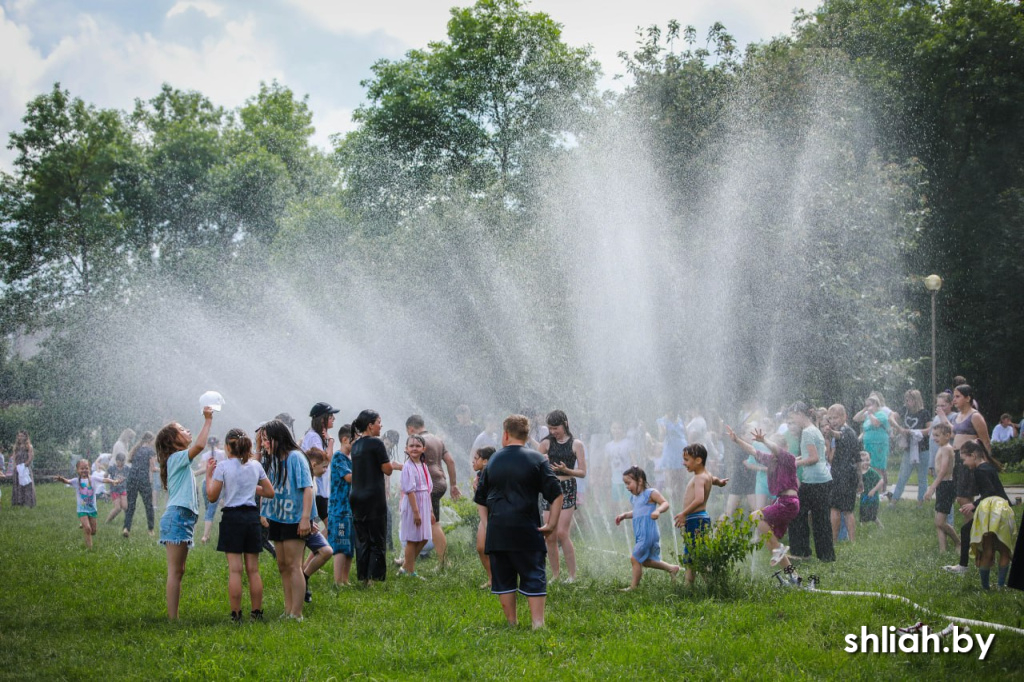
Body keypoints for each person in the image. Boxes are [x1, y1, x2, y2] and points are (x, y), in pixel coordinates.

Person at [474, 414, 563, 629]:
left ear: (505, 434)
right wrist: (552, 525)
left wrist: (487, 525)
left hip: (498, 531)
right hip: (527, 529)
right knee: (534, 574)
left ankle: (512, 623)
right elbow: (557, 494)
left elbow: (481, 498)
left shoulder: (493, 460)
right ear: (526, 435)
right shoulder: (537, 459)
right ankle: (537, 623)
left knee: (503, 578)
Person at [206, 428, 274, 623]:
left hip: (232, 518)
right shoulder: (255, 466)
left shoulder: (223, 467)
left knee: (235, 570)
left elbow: (212, 496)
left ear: (228, 447)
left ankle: (236, 615)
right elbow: (269, 492)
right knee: (253, 569)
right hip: (251, 518)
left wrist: (209, 475)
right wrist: (250, 485)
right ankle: (257, 613)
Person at [155, 406, 215, 620]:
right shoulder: (176, 458)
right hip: (177, 517)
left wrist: (207, 473)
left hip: (181, 518)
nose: (187, 430)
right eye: (182, 429)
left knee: (178, 571)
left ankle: (174, 617)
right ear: (173, 441)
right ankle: (173, 619)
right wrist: (207, 420)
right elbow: (200, 445)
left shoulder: (179, 461)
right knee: (175, 571)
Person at [725, 426, 801, 585]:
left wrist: (765, 440)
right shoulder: (771, 460)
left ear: (785, 448)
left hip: (789, 503)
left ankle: (779, 548)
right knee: (769, 539)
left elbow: (776, 449)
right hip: (782, 502)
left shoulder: (788, 459)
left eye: (776, 448)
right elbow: (753, 450)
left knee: (755, 516)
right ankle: (794, 576)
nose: (774, 451)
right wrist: (737, 440)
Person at [260, 419, 314, 620]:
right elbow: (272, 489)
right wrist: (265, 512)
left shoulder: (296, 458)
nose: (264, 444)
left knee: (293, 565)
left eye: (267, 440)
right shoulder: (274, 459)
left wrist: (305, 519)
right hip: (279, 517)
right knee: (282, 564)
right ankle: (288, 609)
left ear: (277, 438)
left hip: (294, 519)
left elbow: (307, 488)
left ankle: (297, 613)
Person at [941, 384, 991, 575]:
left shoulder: (975, 416)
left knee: (964, 499)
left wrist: (985, 465)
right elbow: (955, 434)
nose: (954, 400)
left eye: (958, 396)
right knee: (962, 500)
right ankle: (974, 535)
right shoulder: (958, 416)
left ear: (968, 398)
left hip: (971, 464)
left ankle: (976, 533)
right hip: (959, 462)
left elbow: (985, 441)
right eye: (954, 396)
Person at [537, 410, 587, 583]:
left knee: (562, 532)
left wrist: (567, 470)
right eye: (550, 428)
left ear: (565, 423)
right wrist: (542, 461)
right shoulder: (545, 444)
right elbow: (535, 465)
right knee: (549, 534)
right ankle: (556, 575)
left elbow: (582, 472)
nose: (553, 432)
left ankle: (572, 575)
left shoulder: (576, 444)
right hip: (549, 487)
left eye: (556, 428)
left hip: (567, 487)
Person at [959, 440, 1015, 589]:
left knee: (988, 548)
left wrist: (974, 504)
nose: (964, 463)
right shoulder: (989, 467)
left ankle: (985, 587)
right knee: (1004, 550)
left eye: (964, 459)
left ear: (974, 455)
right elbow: (999, 491)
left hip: (991, 510)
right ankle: (1001, 585)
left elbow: (989, 492)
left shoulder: (979, 470)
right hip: (1003, 508)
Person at [406, 414, 460, 567]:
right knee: (424, 523)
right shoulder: (437, 439)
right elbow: (450, 461)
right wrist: (453, 484)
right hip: (440, 483)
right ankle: (407, 560)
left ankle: (444, 562)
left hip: (427, 486)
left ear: (410, 429)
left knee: (433, 523)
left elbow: (411, 467)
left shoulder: (416, 441)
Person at [350, 410, 396, 585]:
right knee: (377, 537)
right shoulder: (377, 444)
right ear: (370, 425)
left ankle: (364, 578)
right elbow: (387, 470)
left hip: (356, 497)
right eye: (379, 422)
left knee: (362, 539)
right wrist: (393, 464)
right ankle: (375, 578)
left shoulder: (355, 445)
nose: (381, 425)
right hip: (373, 498)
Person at [614, 466, 679, 590]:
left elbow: (665, 503)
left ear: (640, 481)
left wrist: (658, 511)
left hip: (648, 532)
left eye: (628, 483)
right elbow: (637, 512)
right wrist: (624, 515)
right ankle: (671, 568)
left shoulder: (650, 493)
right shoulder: (634, 498)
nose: (627, 487)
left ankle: (633, 587)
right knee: (645, 561)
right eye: (625, 484)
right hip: (641, 534)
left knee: (635, 558)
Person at [673, 444, 727, 586]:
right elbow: (713, 479)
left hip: (695, 518)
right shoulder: (706, 475)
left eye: (686, 459)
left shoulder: (698, 478)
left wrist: (684, 513)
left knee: (691, 554)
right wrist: (720, 483)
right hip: (701, 518)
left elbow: (699, 499)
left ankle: (689, 586)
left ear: (698, 460)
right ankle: (711, 584)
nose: (683, 463)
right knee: (698, 552)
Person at [786, 402, 835, 562]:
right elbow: (820, 455)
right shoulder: (814, 429)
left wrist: (796, 463)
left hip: (814, 481)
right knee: (821, 519)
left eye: (793, 418)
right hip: (823, 479)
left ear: (801, 415)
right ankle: (826, 556)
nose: (793, 422)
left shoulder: (807, 432)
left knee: (796, 514)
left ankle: (801, 552)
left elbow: (813, 458)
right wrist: (797, 458)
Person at [57, 458, 117, 549]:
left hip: (92, 509)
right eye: (82, 468)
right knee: (88, 529)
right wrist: (61, 479)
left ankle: (84, 524)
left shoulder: (93, 479)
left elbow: (104, 479)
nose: (84, 470)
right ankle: (90, 549)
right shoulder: (76, 481)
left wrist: (113, 481)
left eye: (86, 468)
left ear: (89, 469)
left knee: (93, 531)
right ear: (77, 470)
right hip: (82, 509)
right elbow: (68, 481)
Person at [301, 448, 334, 603]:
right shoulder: (305, 478)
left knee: (326, 551)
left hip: (310, 523)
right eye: (324, 466)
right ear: (313, 464)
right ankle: (299, 593)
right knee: (296, 564)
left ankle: (304, 578)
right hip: (300, 524)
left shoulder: (313, 478)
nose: (326, 470)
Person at [397, 434, 433, 578]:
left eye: (418, 446)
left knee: (424, 537)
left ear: (423, 449)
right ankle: (410, 571)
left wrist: (430, 511)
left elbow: (428, 489)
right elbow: (410, 490)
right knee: (412, 538)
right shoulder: (407, 467)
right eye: (411, 446)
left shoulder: (423, 465)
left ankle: (405, 566)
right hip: (413, 505)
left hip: (424, 503)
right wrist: (416, 512)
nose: (414, 448)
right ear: (406, 449)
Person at [824, 404, 860, 544]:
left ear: (845, 417)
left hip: (845, 475)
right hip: (840, 474)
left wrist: (832, 433)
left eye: (836, 418)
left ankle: (849, 541)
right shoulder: (844, 433)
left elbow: (841, 436)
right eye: (830, 418)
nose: (833, 421)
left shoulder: (848, 432)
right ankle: (838, 540)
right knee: (838, 508)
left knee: (844, 510)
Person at [923, 423, 959, 553]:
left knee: (939, 522)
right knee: (938, 520)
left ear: (947, 436)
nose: (934, 438)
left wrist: (932, 488)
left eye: (937, 435)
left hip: (946, 485)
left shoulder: (946, 449)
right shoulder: (942, 447)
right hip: (943, 485)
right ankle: (942, 550)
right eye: (933, 435)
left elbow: (943, 470)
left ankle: (958, 542)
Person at [891, 389, 931, 505]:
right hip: (908, 449)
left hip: (923, 449)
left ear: (915, 400)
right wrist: (899, 428)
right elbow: (891, 417)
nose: (906, 402)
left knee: (922, 477)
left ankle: (920, 502)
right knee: (902, 476)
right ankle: (894, 501)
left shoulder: (924, 413)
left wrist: (915, 432)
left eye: (908, 400)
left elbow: (930, 429)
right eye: (906, 400)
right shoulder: (905, 410)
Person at [327, 423, 355, 587]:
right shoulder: (338, 457)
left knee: (349, 546)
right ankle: (337, 581)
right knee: (340, 544)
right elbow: (348, 477)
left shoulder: (349, 460)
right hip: (339, 509)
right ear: (345, 440)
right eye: (354, 440)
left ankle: (346, 579)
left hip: (349, 509)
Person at [301, 402, 338, 525]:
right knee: (330, 526)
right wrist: (331, 442)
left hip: (320, 491)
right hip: (318, 491)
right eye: (331, 416)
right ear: (323, 419)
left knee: (322, 526)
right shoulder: (314, 437)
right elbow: (324, 460)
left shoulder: (315, 435)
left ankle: (317, 541)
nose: (334, 419)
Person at [854, 396, 891, 494]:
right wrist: (864, 410)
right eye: (866, 405)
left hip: (879, 444)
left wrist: (870, 413)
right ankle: (873, 489)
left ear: (876, 404)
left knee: (878, 467)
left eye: (869, 405)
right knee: (871, 466)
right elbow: (856, 418)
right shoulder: (867, 415)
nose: (867, 407)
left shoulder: (881, 414)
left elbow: (876, 423)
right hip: (869, 444)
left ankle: (880, 491)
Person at [123, 432, 156, 538]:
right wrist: (165, 469)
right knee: (148, 505)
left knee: (131, 505)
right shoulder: (150, 451)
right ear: (150, 440)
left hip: (132, 478)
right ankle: (151, 530)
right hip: (143, 479)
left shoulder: (136, 449)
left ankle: (126, 528)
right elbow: (153, 468)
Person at [472, 445, 495, 588]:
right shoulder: (480, 475)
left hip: (496, 515)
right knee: (481, 548)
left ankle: (502, 579)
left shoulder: (493, 474)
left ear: (485, 461)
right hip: (485, 515)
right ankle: (492, 578)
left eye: (476, 459)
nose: (473, 462)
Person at [196, 436, 226, 544]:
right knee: (212, 508)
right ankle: (205, 535)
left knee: (208, 507)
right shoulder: (223, 453)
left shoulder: (205, 455)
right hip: (219, 483)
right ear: (218, 443)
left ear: (208, 445)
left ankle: (206, 535)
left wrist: (193, 473)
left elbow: (203, 469)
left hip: (206, 483)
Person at [11, 430, 35, 508]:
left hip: (25, 467)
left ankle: (28, 502)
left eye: (22, 436)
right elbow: (14, 457)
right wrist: (15, 467)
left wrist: (24, 465)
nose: (20, 437)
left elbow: (30, 457)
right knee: (17, 484)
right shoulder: (16, 447)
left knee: (27, 484)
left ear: (25, 437)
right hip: (17, 468)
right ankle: (18, 502)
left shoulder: (29, 446)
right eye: (19, 436)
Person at [859, 452, 884, 527]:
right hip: (864, 496)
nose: (865, 462)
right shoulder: (859, 472)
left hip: (873, 497)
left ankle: (880, 526)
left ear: (870, 460)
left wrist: (874, 490)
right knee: (863, 512)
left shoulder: (871, 472)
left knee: (872, 514)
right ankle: (862, 527)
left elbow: (881, 481)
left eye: (867, 460)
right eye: (863, 461)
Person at [103, 453, 129, 524]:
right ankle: (107, 521)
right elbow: (105, 475)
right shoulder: (112, 468)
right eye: (119, 461)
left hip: (123, 489)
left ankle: (127, 522)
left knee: (125, 506)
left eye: (123, 461)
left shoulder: (126, 468)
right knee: (118, 508)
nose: (121, 463)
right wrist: (106, 475)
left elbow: (132, 475)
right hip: (114, 490)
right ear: (116, 461)